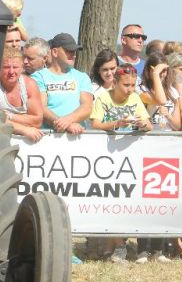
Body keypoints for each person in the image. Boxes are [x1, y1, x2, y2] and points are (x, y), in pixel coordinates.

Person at [90, 64, 151, 264]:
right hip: (105, 158)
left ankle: (112, 248)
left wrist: (142, 125)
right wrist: (117, 124)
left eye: (133, 85)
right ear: (114, 83)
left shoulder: (135, 98)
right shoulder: (103, 98)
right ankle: (119, 245)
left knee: (123, 203)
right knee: (107, 201)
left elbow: (149, 124)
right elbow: (96, 124)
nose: (130, 89)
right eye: (126, 85)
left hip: (130, 158)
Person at [30, 33, 93, 135]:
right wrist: (66, 125)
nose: (73, 54)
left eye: (74, 51)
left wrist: (68, 120)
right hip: (49, 138)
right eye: (69, 51)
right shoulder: (39, 77)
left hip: (77, 137)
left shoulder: (82, 77)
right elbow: (40, 107)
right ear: (55, 52)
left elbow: (87, 107)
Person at [0, 46, 43, 142]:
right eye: (6, 67)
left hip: (28, 140)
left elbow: (37, 121)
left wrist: (9, 116)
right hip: (0, 139)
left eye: (15, 67)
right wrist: (24, 129)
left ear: (22, 68)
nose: (11, 72)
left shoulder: (29, 85)